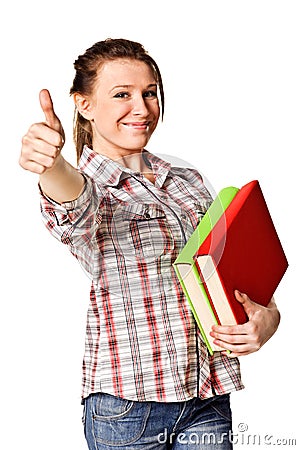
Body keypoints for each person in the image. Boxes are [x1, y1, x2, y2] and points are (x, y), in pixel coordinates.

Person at [19, 38, 280, 449]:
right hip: (129, 407)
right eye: (121, 94)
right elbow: (72, 204)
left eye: (150, 92)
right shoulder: (89, 185)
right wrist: (52, 166)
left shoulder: (186, 177)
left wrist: (267, 319)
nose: (141, 108)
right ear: (83, 104)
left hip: (206, 396)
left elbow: (228, 270)